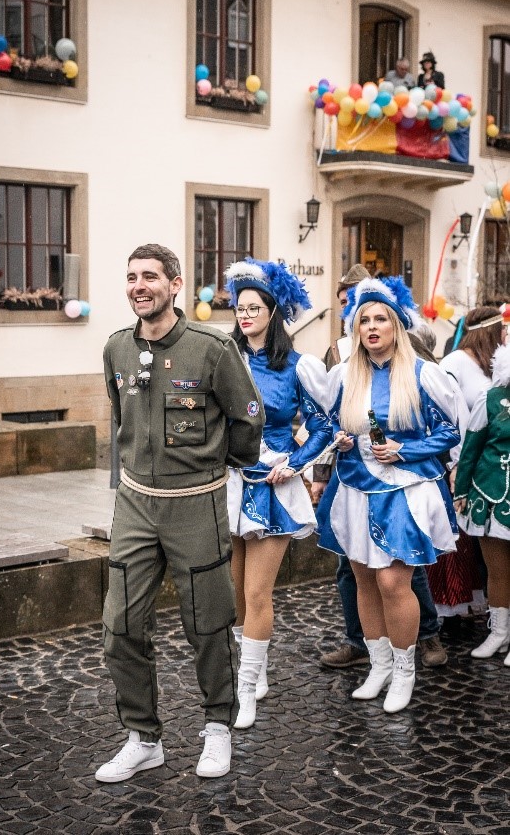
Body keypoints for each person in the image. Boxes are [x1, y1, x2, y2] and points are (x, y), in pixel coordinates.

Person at [97, 243, 264, 783]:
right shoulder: (116, 349)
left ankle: (219, 728)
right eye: (130, 277)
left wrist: (211, 472)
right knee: (119, 626)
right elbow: (120, 421)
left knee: (208, 625)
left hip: (196, 506)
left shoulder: (211, 349)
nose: (138, 285)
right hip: (135, 507)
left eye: (149, 276)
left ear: (175, 284)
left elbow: (247, 422)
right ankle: (143, 738)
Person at [316, 276, 461, 713]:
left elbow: (451, 433)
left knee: (393, 580)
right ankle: (377, 664)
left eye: (381, 319)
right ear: (355, 328)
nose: (373, 327)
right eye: (365, 320)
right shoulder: (343, 376)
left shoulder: (422, 374)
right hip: (355, 487)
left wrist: (405, 449)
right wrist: (338, 441)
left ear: (397, 325)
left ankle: (403, 671)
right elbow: (327, 428)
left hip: (405, 489)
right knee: (362, 577)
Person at [224, 258, 331, 729]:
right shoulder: (223, 357)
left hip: (273, 488)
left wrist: (296, 463)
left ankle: (245, 690)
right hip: (228, 486)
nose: (244, 315)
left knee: (257, 590)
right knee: (236, 593)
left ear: (273, 311)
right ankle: (255, 668)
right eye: (239, 307)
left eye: (253, 307)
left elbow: (325, 426)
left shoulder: (297, 367)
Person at [430, 307, 507, 623]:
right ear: (488, 332)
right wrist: (455, 465)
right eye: (502, 332)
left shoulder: (489, 366)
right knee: (458, 541)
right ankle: (451, 605)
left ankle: (485, 606)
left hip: (489, 468)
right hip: (457, 462)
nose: (505, 338)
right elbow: (451, 417)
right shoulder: (454, 364)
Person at [454, 342, 510, 663]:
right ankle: (499, 632)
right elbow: (471, 449)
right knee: (498, 571)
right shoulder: (490, 399)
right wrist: (461, 492)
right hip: (490, 497)